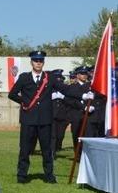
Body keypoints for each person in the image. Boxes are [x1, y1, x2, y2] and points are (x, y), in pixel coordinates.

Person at [8, 50, 92, 183]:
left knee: (47, 149)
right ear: (31, 62)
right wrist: (24, 102)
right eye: (36, 60)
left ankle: (49, 175)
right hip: (28, 119)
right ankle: (22, 175)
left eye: (40, 61)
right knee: (25, 148)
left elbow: (66, 89)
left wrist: (82, 95)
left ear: (43, 62)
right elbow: (12, 94)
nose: (38, 63)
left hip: (45, 119)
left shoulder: (50, 77)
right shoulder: (24, 77)